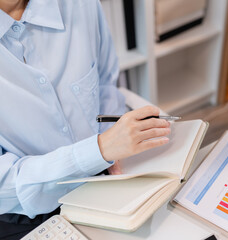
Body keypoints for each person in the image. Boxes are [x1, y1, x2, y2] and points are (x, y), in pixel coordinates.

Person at [0, 0, 171, 238]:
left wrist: (112, 140)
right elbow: (4, 185)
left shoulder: (80, 4)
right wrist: (98, 150)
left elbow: (104, 82)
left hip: (103, 173)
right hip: (25, 215)